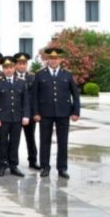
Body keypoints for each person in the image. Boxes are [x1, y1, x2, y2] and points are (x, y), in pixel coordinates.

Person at [32, 48, 80, 179]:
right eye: (51, 58)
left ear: (60, 60)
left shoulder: (67, 74)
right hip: (45, 113)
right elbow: (34, 95)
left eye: (56, 58)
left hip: (63, 113)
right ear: (47, 59)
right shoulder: (40, 74)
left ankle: (62, 168)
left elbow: (75, 94)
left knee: (63, 142)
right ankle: (45, 167)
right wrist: (35, 112)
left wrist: (76, 111)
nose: (53, 61)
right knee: (44, 141)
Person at [0, 56, 30, 177]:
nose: (8, 70)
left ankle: (13, 165)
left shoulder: (21, 82)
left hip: (17, 118)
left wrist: (26, 116)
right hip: (3, 118)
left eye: (11, 67)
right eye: (6, 67)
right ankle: (2, 165)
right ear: (3, 69)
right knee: (3, 142)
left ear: (15, 68)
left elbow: (26, 101)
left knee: (15, 142)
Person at [14, 52, 40, 170]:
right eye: (20, 63)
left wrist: (36, 112)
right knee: (14, 139)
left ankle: (33, 160)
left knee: (30, 138)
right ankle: (12, 162)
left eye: (24, 63)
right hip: (14, 113)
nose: (22, 66)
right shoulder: (10, 76)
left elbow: (36, 97)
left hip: (29, 113)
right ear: (15, 64)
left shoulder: (32, 77)